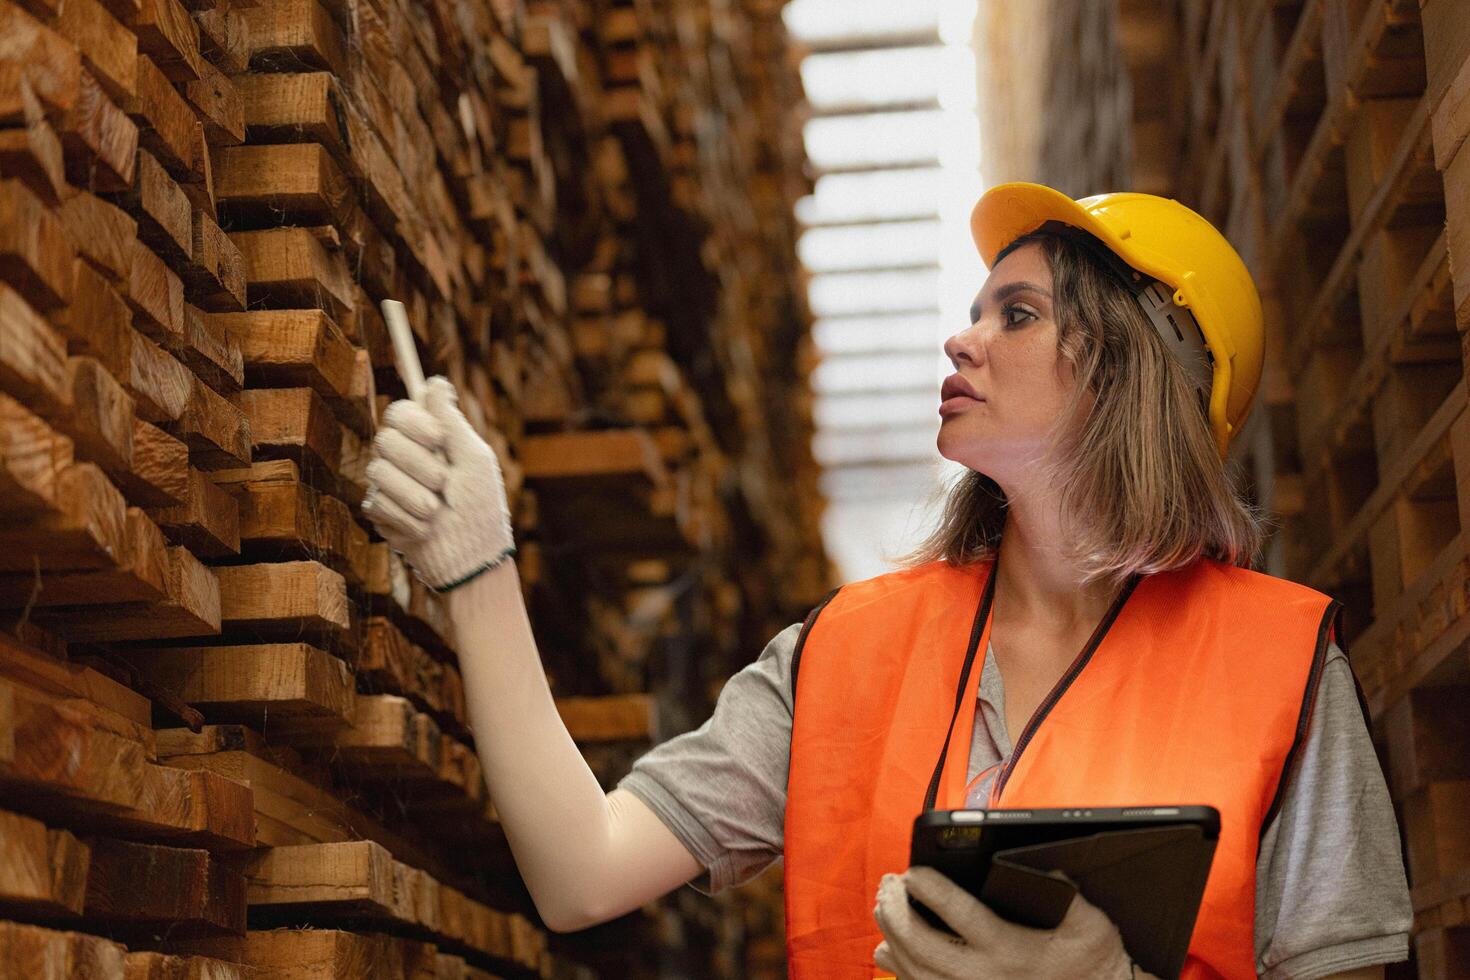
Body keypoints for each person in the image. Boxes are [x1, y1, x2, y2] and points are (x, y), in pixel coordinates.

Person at [361, 182, 1413, 979]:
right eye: (976, 309)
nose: (961, 337)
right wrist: (477, 566)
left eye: (1019, 313)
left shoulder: (1281, 667)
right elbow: (580, 869)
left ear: (1136, 366)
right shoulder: (845, 652)